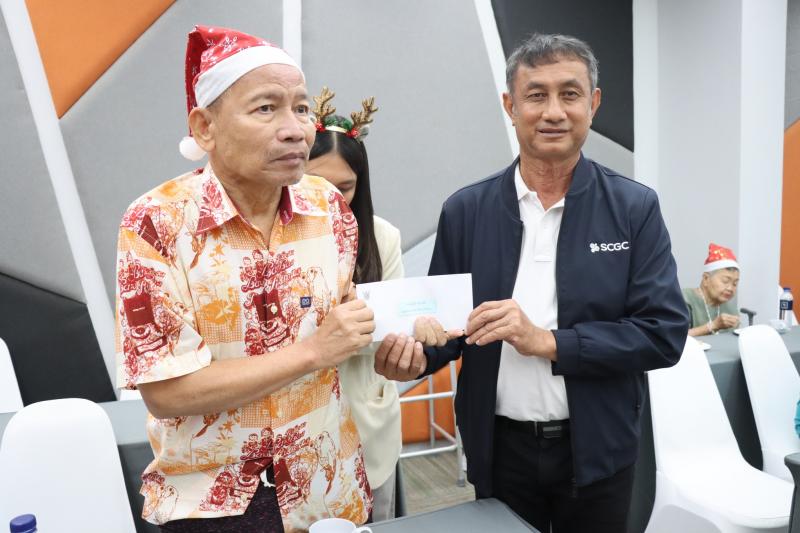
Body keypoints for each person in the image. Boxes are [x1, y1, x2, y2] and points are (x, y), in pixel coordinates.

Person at [374, 33, 689, 532]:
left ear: (594, 103)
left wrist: (548, 341)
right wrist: (411, 356)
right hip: (499, 449)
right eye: (536, 95)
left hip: (598, 448)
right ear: (511, 106)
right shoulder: (467, 210)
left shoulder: (633, 208)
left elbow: (663, 332)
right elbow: (444, 328)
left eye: (570, 94)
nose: (554, 112)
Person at [115, 25, 378, 531]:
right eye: (266, 108)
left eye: (301, 108)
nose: (295, 129)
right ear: (204, 127)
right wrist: (314, 351)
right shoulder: (156, 222)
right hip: (216, 504)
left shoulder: (328, 207)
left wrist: (392, 344)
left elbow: (343, 327)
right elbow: (167, 392)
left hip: (328, 485)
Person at [305, 89, 403, 521]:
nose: (332, 199)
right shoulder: (274, 241)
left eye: (344, 188)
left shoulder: (381, 236)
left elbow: (393, 326)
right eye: (317, 185)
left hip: (367, 422)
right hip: (297, 425)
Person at [684, 243, 740, 336]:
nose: (730, 288)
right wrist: (713, 326)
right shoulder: (684, 299)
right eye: (725, 281)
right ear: (706, 279)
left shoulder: (730, 308)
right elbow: (676, 338)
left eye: (735, 283)